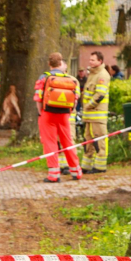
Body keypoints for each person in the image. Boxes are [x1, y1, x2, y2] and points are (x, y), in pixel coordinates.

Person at [34, 52, 82, 183]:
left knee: (50, 142)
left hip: (48, 114)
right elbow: (75, 99)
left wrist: (41, 112)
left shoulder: (44, 77)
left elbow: (38, 97)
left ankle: (54, 174)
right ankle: (76, 171)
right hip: (64, 114)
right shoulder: (69, 79)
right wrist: (69, 112)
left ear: (49, 64)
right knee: (68, 141)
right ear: (61, 63)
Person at [82, 51, 111, 174]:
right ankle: (86, 166)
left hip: (97, 115)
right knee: (87, 140)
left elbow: (100, 95)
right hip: (89, 116)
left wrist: (88, 106)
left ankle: (100, 167)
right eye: (90, 59)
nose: (90, 61)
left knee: (100, 141)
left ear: (100, 61)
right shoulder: (92, 74)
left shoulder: (102, 75)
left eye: (93, 60)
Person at [56, 61, 81, 175]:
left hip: (68, 116)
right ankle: (62, 164)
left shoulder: (72, 80)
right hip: (58, 115)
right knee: (58, 141)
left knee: (69, 140)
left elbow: (76, 97)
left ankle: (69, 165)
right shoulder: (53, 78)